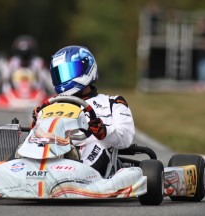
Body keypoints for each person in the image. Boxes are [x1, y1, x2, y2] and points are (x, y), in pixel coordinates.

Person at [31, 45, 136, 176]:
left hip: (98, 159)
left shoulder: (112, 103)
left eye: (69, 71)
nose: (63, 78)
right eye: (60, 74)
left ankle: (76, 177)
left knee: (95, 146)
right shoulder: (51, 105)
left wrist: (103, 131)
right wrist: (37, 124)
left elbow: (125, 138)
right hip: (55, 153)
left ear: (86, 68)